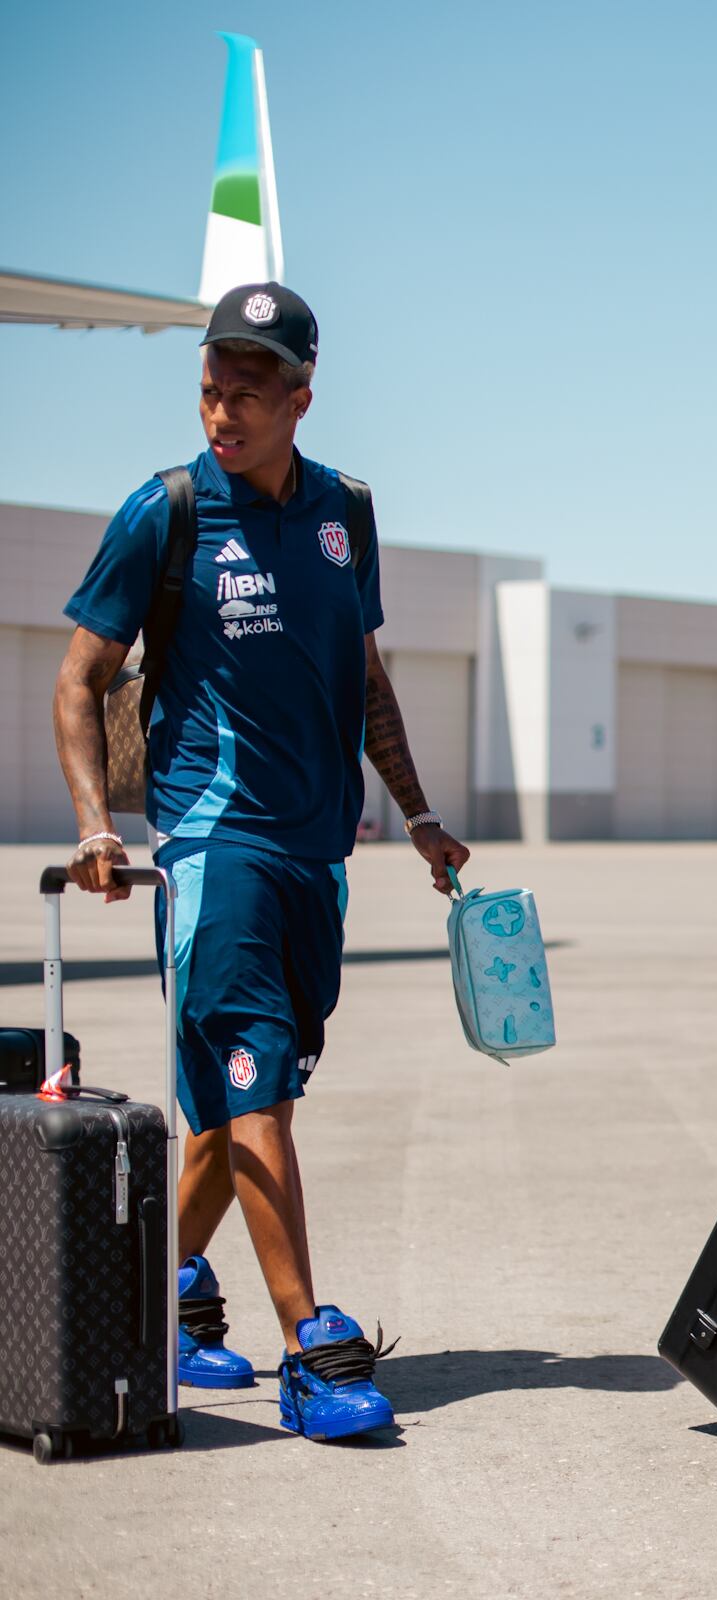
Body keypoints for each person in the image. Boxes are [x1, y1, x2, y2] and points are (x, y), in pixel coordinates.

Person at [52, 283, 471, 1438]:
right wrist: (96, 825)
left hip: (316, 850)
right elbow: (79, 680)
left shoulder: (347, 513)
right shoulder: (167, 511)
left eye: (245, 390)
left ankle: (153, 1297)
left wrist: (419, 816)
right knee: (257, 1086)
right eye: (209, 387)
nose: (221, 410)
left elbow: (365, 678)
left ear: (300, 397)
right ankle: (309, 1348)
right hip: (211, 844)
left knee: (236, 1110)